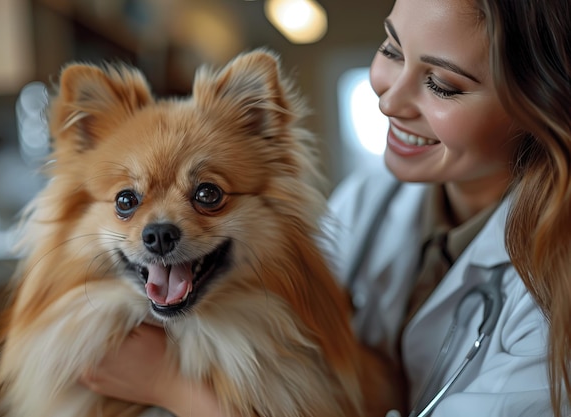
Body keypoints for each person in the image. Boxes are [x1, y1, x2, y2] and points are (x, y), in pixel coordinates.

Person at [80, 0, 571, 416]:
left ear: (538, 101)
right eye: (392, 51)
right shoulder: (367, 200)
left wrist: (174, 389)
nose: (389, 100)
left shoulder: (554, 289)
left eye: (442, 84)